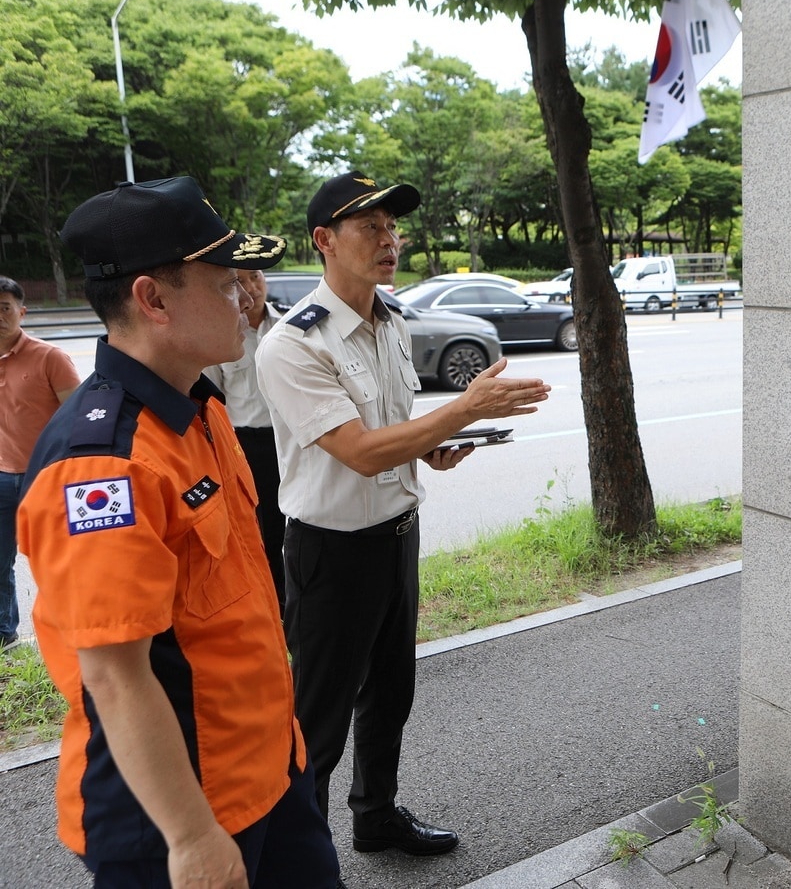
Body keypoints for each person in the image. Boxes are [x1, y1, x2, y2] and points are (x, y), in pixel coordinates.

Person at [18, 177, 340, 888]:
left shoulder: (199, 409)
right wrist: (191, 835)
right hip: (176, 816)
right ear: (153, 300)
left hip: (268, 770)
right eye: (224, 280)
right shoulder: (103, 465)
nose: (245, 294)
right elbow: (112, 673)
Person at [256, 170, 550, 855]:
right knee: (318, 720)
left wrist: (433, 445)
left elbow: (390, 429)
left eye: (392, 227)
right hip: (332, 551)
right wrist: (463, 408)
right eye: (371, 227)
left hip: (396, 537)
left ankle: (376, 816)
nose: (389, 240)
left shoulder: (388, 322)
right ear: (324, 240)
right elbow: (357, 452)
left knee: (390, 694)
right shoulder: (296, 343)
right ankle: (297, 857)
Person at [0, 275, 80, 651]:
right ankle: (6, 635)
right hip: (2, 476)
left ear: (22, 312)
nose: (0, 316)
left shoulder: (50, 357)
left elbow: (78, 417)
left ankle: (69, 632)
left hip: (47, 476)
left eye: (5, 308)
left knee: (55, 560)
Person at [202, 269, 287, 610]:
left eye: (257, 278)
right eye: (241, 281)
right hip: (248, 443)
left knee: (299, 523)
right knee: (263, 530)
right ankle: (275, 603)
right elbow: (213, 399)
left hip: (291, 438)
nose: (252, 289)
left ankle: (297, 599)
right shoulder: (223, 334)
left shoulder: (289, 326)